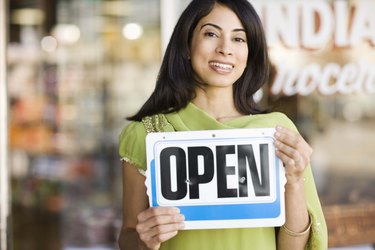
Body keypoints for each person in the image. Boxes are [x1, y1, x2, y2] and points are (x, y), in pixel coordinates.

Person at [118, 0, 328, 249]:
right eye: (211, 34)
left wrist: (293, 181)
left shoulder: (276, 133)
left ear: (250, 54)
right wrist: (144, 239)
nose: (225, 49)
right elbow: (129, 235)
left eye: (239, 39)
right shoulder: (146, 134)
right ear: (186, 44)